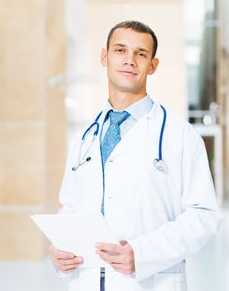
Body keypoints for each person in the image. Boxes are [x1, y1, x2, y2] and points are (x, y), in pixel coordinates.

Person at [50, 20, 222, 291]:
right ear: (104, 57)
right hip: (86, 280)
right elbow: (70, 207)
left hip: (151, 281)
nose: (130, 60)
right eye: (120, 50)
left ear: (152, 65)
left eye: (141, 54)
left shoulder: (181, 136)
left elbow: (203, 215)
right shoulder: (84, 138)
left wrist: (143, 254)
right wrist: (60, 251)